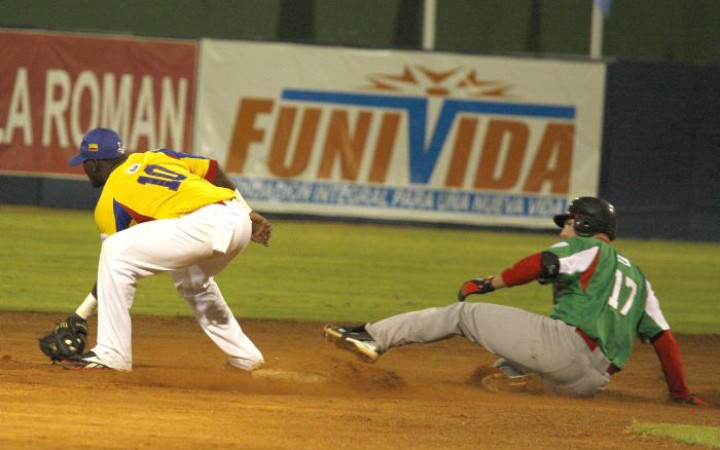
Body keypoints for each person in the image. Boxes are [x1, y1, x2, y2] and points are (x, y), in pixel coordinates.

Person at [324, 197, 706, 405]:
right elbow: (665, 342)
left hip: (564, 349)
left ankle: (374, 337)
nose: (564, 227)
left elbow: (544, 263)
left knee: (463, 314)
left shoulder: (586, 247)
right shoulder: (639, 278)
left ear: (587, 227)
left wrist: (491, 282)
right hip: (591, 381)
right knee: (525, 350)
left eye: (569, 221)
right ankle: (512, 376)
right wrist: (680, 394)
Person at [40, 127, 271, 372]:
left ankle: (112, 352)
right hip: (236, 219)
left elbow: (112, 268)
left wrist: (80, 314)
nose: (84, 169)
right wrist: (246, 212)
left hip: (204, 225)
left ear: (95, 163)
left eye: (84, 162)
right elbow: (214, 170)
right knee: (192, 280)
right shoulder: (156, 156)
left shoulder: (109, 200)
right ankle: (246, 357)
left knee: (114, 250)